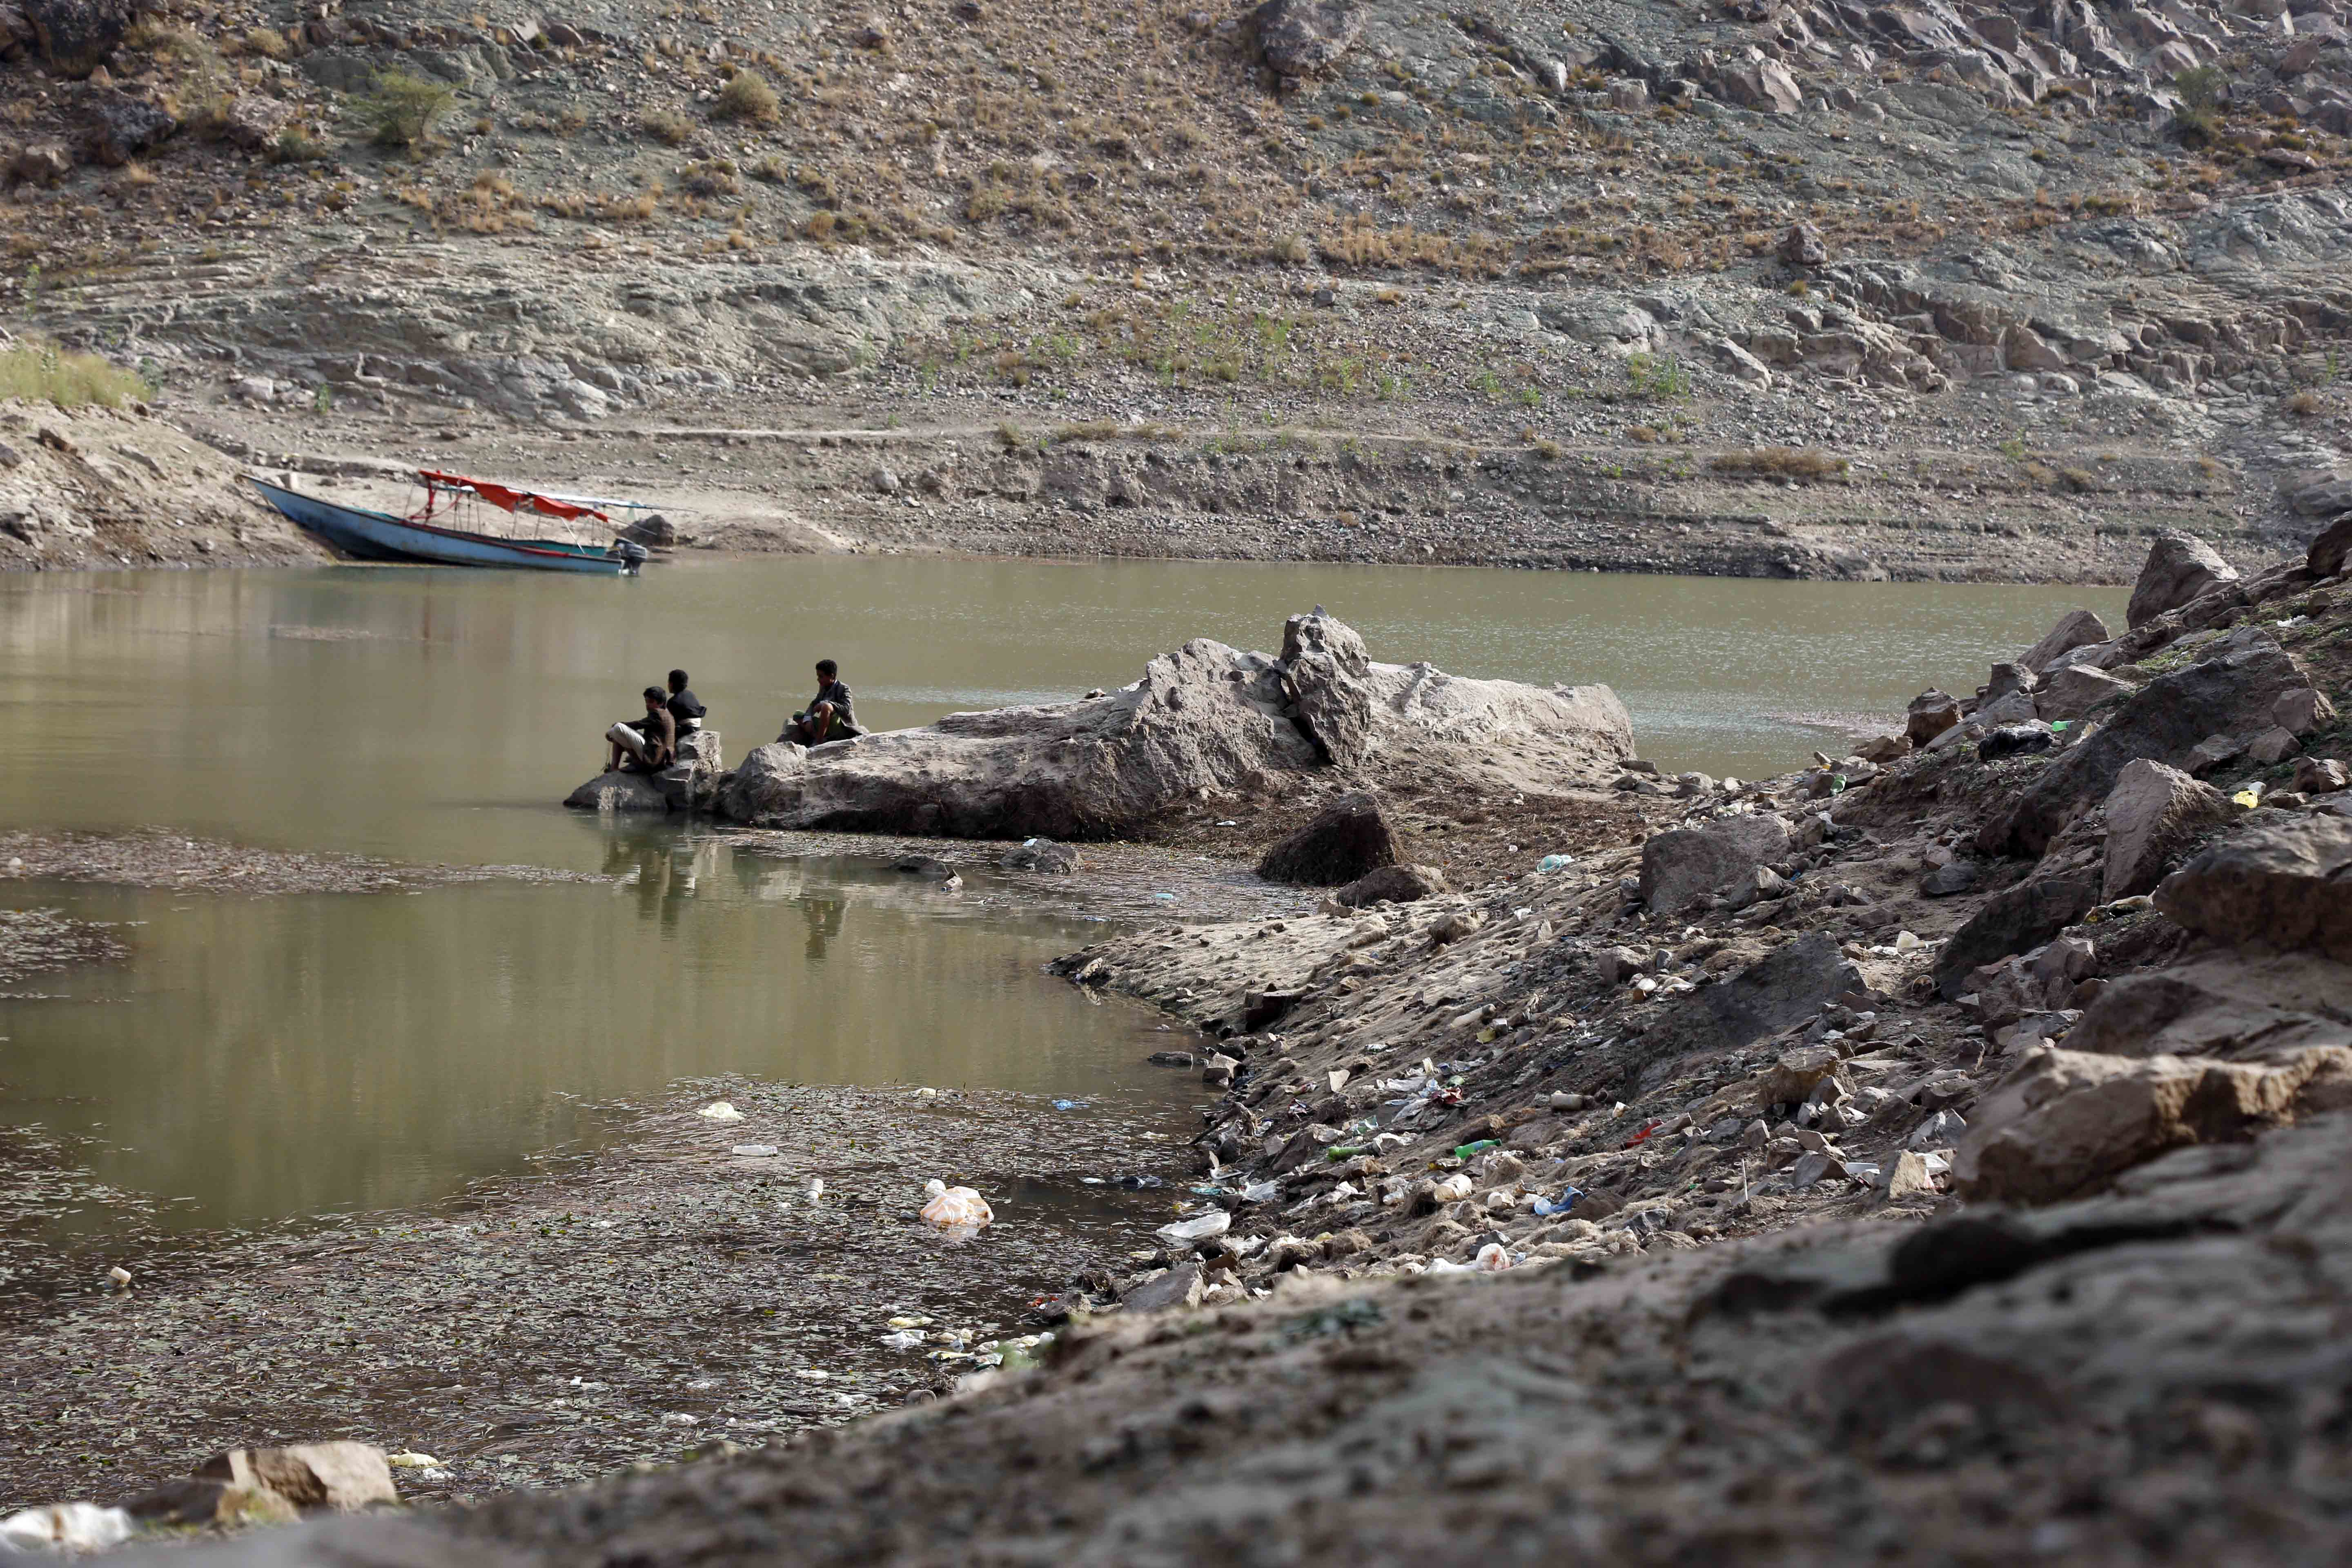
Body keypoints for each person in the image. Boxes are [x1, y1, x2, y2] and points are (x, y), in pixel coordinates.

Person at [604, 686, 676, 773]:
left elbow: (638, 725)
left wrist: (611, 731)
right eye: (646, 702)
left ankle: (636, 764)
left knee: (619, 728)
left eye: (651, 702)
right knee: (621, 732)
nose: (648, 705)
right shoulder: (667, 713)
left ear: (661, 703)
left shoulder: (657, 714)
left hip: (655, 760)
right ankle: (614, 767)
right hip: (664, 759)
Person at [786, 659, 858, 746]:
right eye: (818, 676)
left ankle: (819, 742)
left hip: (841, 727)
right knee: (797, 715)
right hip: (826, 724)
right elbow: (815, 703)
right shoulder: (823, 687)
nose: (818, 679)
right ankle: (820, 738)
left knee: (826, 707)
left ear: (831, 676)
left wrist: (825, 703)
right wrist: (808, 719)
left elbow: (846, 710)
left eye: (821, 676)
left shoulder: (844, 688)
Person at [666, 668, 707, 733]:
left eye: (669, 682)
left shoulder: (673, 702)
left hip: (686, 731)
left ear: (672, 684)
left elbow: (669, 722)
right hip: (698, 728)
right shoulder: (691, 694)